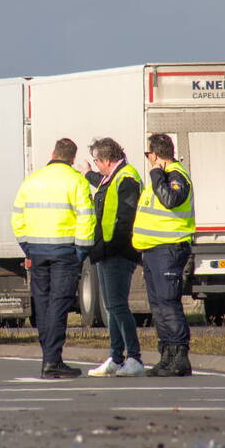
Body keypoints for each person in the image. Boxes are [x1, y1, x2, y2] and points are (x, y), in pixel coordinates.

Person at [11, 138, 96, 379]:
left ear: (53, 154)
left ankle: (49, 358)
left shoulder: (32, 180)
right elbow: (86, 218)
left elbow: (17, 216)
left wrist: (27, 245)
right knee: (59, 304)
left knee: (43, 303)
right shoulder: (77, 181)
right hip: (65, 252)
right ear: (72, 158)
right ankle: (52, 360)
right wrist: (81, 251)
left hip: (37, 251)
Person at [79, 137, 145, 378]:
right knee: (111, 306)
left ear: (106, 160)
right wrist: (88, 175)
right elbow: (105, 186)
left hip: (118, 251)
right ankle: (116, 358)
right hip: (107, 251)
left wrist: (111, 245)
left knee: (117, 305)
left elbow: (126, 217)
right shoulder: (115, 177)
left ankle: (134, 357)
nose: (95, 165)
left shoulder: (127, 178)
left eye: (96, 161)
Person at [132, 133, 195, 377]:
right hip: (153, 249)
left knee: (168, 303)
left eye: (148, 155)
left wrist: (157, 173)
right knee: (158, 306)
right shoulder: (160, 177)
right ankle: (166, 355)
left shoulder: (175, 175)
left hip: (169, 248)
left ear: (155, 155)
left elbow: (170, 199)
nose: (147, 160)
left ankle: (180, 356)